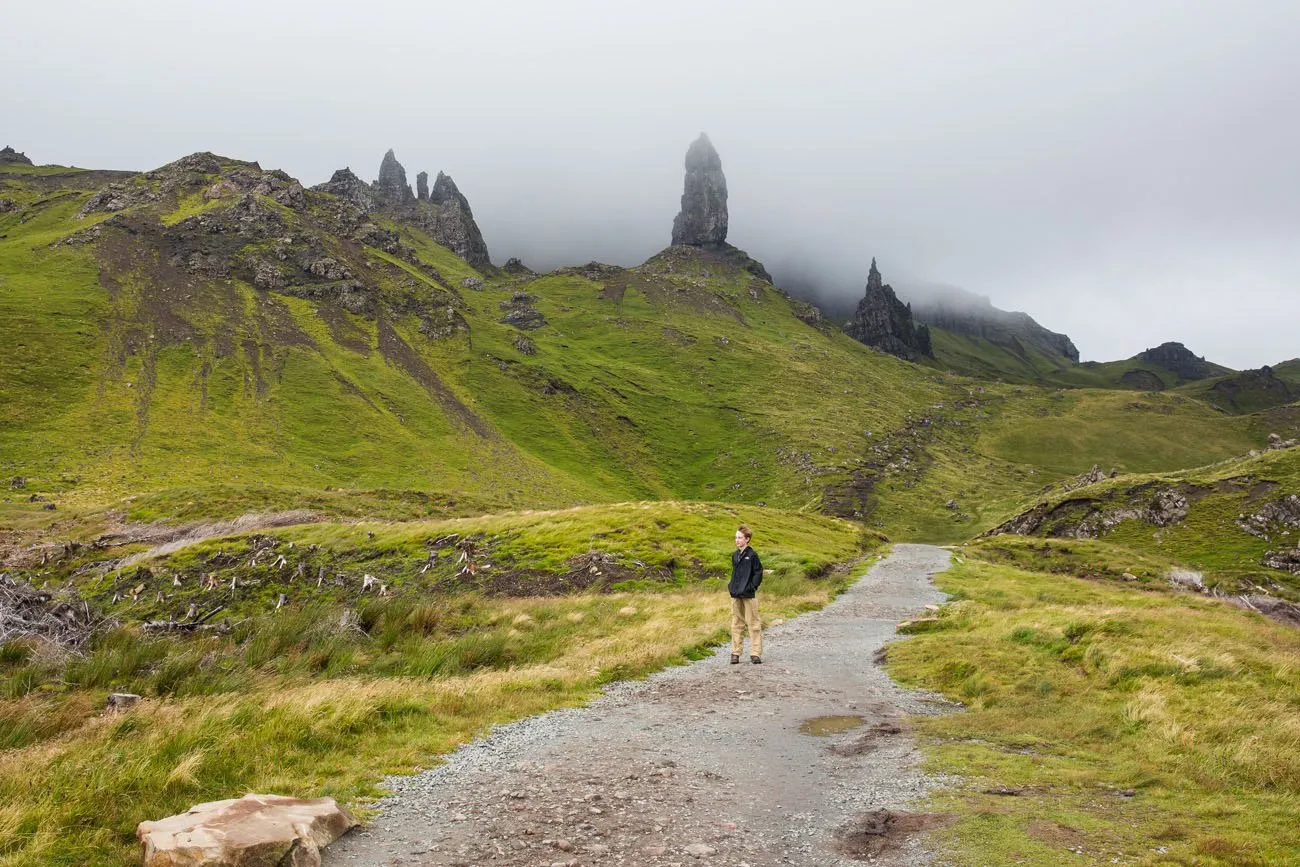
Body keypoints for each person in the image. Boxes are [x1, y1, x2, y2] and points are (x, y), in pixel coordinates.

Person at [729, 525, 763, 664]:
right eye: (736, 537)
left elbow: (758, 573)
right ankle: (735, 653)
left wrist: (752, 587)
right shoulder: (735, 555)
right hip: (736, 594)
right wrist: (731, 587)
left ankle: (755, 653)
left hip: (748, 595)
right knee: (736, 623)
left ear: (747, 539)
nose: (737, 540)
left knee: (753, 623)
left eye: (740, 538)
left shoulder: (753, 555)